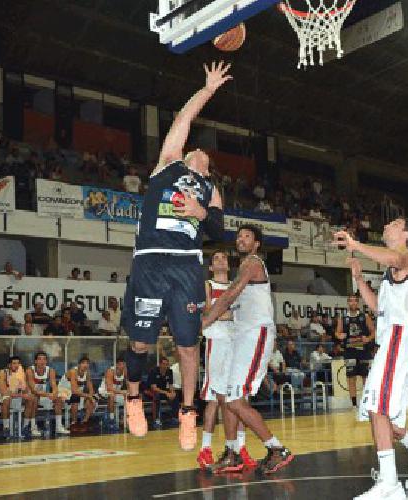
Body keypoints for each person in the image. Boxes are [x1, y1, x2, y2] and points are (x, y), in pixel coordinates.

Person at [119, 61, 230, 451]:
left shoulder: (211, 189)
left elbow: (220, 231)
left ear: (206, 164)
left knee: (187, 345)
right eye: (192, 147)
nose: (195, 148)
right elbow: (184, 117)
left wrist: (201, 213)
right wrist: (207, 90)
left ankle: (187, 413)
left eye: (200, 151)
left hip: (185, 265)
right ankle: (133, 400)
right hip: (150, 258)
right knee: (140, 344)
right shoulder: (168, 163)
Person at [332, 219, 408, 498]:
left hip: (398, 338)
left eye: (393, 223)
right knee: (387, 415)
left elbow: (394, 257)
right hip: (397, 338)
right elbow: (379, 308)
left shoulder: (404, 257)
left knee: (376, 406)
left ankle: (389, 483)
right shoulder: (393, 269)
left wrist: (356, 244)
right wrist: (358, 279)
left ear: (405, 234)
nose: (387, 226)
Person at [200, 225, 294, 474]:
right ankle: (232, 453)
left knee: (234, 399)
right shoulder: (243, 268)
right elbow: (233, 309)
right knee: (229, 398)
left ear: (256, 244)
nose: (241, 239)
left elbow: (229, 295)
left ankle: (277, 448)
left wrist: (205, 320)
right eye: (239, 236)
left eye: (247, 236)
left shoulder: (253, 263)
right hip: (241, 337)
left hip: (256, 335)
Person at [196, 251, 254, 470]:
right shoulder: (208, 285)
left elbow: (242, 313)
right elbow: (209, 312)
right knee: (214, 397)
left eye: (224, 258)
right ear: (211, 267)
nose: (221, 261)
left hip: (236, 341)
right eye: (216, 259)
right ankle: (206, 449)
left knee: (240, 397)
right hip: (217, 341)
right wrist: (230, 314)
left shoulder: (235, 286)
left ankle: (240, 448)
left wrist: (228, 314)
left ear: (229, 265)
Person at [335, 294, 375, 407]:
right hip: (349, 351)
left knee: (365, 376)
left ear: (358, 303)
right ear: (348, 303)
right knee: (351, 377)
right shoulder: (342, 318)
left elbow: (373, 331)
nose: (353, 303)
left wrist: (368, 338)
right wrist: (339, 335)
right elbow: (337, 333)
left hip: (363, 351)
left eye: (355, 301)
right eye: (350, 301)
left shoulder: (365, 316)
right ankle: (353, 405)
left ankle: (367, 403)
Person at [0, 356, 36, 439]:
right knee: (6, 399)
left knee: (32, 399)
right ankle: (6, 428)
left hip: (14, 397)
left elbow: (25, 390)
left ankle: (25, 427)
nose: (16, 365)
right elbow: (4, 392)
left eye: (18, 363)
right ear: (9, 365)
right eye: (14, 363)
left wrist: (27, 393)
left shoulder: (21, 374)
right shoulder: (3, 372)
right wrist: (22, 395)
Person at [26, 351, 69, 436]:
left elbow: (54, 385)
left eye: (44, 359)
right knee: (34, 398)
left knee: (59, 399)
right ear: (35, 361)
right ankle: (33, 428)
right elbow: (33, 390)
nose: (42, 361)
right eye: (40, 359)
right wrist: (48, 394)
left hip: (44, 396)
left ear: (46, 361)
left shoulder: (50, 370)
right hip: (30, 397)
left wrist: (54, 394)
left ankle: (59, 426)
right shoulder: (30, 370)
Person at [60, 356, 98, 431]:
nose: (85, 365)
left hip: (77, 394)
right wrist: (89, 396)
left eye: (87, 363)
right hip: (63, 392)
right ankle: (74, 423)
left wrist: (91, 397)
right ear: (78, 364)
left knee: (93, 398)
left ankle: (84, 422)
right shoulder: (73, 372)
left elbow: (91, 390)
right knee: (76, 397)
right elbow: (74, 390)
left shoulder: (87, 374)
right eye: (83, 363)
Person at [99, 360, 127, 432]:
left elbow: (128, 384)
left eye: (124, 364)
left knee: (129, 397)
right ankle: (111, 419)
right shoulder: (110, 371)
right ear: (116, 365)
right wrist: (121, 392)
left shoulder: (125, 372)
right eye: (121, 364)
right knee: (111, 395)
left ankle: (125, 418)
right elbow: (109, 388)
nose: (123, 366)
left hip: (116, 393)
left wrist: (129, 391)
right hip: (104, 392)